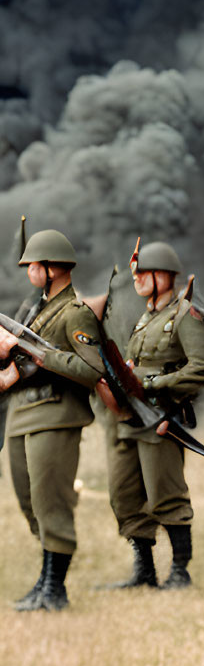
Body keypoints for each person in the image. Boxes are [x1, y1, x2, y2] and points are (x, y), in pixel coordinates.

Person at [102, 241, 204, 591]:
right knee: (124, 493)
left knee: (166, 494)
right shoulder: (146, 318)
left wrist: (158, 383)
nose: (136, 278)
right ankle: (145, 572)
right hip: (131, 417)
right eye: (136, 272)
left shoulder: (184, 316)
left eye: (143, 273)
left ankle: (180, 572)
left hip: (161, 417)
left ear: (162, 275)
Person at [1, 229, 106, 612]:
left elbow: (93, 370)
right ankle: (44, 582)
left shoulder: (74, 313)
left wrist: (46, 358)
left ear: (52, 268)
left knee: (51, 502)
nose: (28, 271)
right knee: (30, 502)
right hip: (23, 414)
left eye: (33, 265)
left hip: (57, 414)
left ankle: (55, 591)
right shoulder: (38, 311)